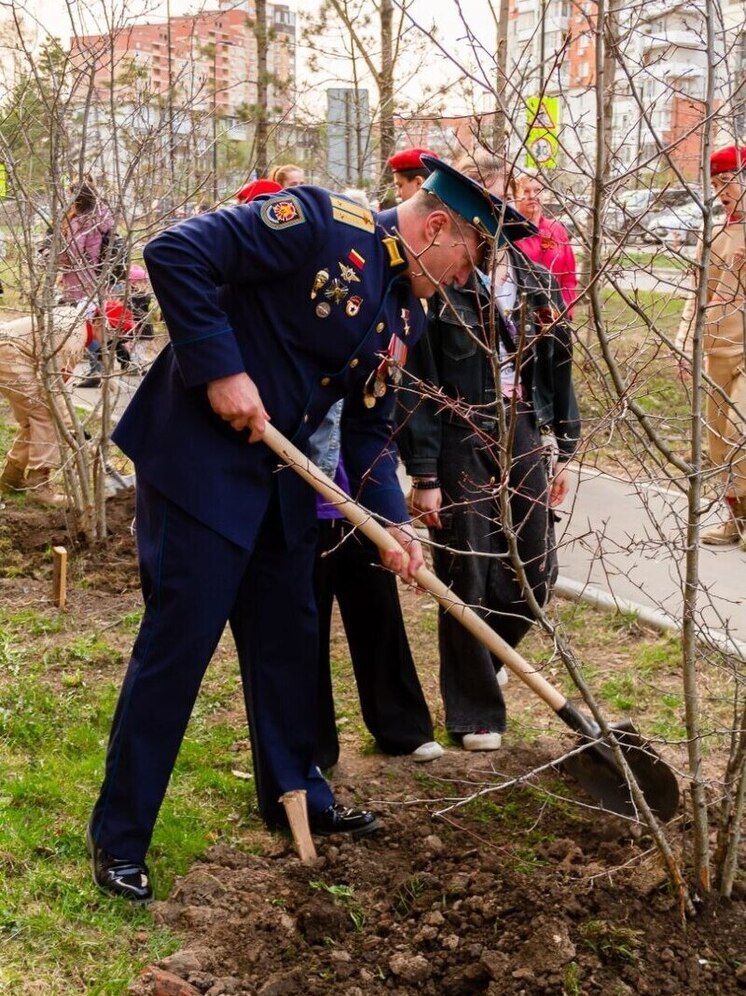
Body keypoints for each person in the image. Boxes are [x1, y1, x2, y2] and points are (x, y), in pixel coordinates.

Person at [87, 161, 507, 903]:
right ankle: (120, 837)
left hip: (283, 484)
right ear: (435, 227)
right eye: (470, 259)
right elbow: (174, 253)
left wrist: (390, 522)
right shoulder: (318, 223)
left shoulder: (406, 314)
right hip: (199, 471)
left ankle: (297, 795)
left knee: (289, 643)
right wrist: (219, 369)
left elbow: (371, 429)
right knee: (177, 650)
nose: (466, 279)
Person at [397, 151, 581, 752]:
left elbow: (556, 371)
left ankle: (493, 651)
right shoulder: (438, 286)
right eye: (483, 213)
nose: (492, 225)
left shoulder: (535, 283)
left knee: (536, 568)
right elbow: (417, 384)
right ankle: (476, 712)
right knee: (467, 570)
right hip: (460, 432)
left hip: (522, 429)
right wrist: (424, 472)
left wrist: (560, 449)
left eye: (504, 209)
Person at [309, 402, 443, 769]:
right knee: (305, 626)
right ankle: (312, 745)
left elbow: (372, 426)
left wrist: (393, 517)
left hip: (361, 505)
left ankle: (402, 726)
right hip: (300, 506)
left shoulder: (370, 347)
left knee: (378, 612)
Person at [675, 145, 746, 548]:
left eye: (729, 181)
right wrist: (685, 344)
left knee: (740, 429)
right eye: (716, 183)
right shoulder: (714, 233)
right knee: (719, 442)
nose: (722, 191)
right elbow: (695, 293)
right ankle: (736, 518)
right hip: (716, 348)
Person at [0, 305, 88, 505]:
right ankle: (39, 486)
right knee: (45, 414)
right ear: (98, 323)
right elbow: (51, 385)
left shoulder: (75, 323)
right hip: (8, 351)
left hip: (9, 347)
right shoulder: (75, 337)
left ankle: (11, 478)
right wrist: (70, 424)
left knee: (34, 417)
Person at [56, 180, 115, 388]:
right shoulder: (104, 215)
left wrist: (54, 258)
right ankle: (101, 366)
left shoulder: (79, 221)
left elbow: (71, 253)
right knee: (95, 322)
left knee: (84, 326)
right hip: (99, 277)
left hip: (80, 281)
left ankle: (95, 369)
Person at [515, 172, 578, 319]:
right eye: (526, 191)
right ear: (516, 196)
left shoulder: (557, 230)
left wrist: (565, 312)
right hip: (524, 316)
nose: (532, 196)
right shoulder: (511, 231)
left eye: (537, 190)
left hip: (557, 315)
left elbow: (569, 278)